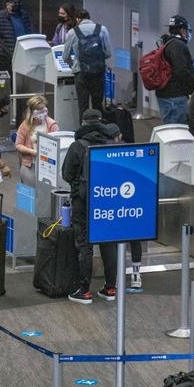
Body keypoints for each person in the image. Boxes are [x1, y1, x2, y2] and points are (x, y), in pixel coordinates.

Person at [62, 109, 118, 304]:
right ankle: (110, 288)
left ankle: (85, 291)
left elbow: (66, 175)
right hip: (107, 201)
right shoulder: (111, 143)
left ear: (83, 123)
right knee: (109, 244)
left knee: (84, 245)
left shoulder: (77, 146)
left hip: (83, 202)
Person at [102, 123, 145, 289]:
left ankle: (116, 276)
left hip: (112, 204)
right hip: (131, 202)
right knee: (135, 239)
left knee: (112, 242)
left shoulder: (103, 152)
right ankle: (136, 275)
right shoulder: (131, 151)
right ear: (118, 135)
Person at [62, 9, 113, 123]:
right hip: (98, 73)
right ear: (89, 17)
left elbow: (65, 56)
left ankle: (84, 133)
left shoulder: (72, 32)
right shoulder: (102, 29)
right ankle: (99, 132)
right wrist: (96, 60)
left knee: (83, 106)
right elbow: (108, 53)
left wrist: (73, 65)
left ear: (77, 19)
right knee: (98, 105)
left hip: (81, 74)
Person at [155, 15, 194, 125]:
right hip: (175, 96)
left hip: (167, 94)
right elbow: (181, 71)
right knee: (176, 130)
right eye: (187, 31)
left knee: (170, 126)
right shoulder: (178, 46)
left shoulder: (167, 43)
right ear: (183, 30)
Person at [14, 95, 59, 187]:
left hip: (48, 167)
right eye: (39, 111)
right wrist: (33, 152)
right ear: (32, 112)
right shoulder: (25, 126)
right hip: (30, 166)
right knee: (31, 194)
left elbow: (58, 144)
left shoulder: (52, 125)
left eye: (44, 110)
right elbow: (18, 145)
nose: (42, 114)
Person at [0, 0, 34, 76]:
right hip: (6, 57)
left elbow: (30, 33)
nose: (17, 5)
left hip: (23, 55)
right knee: (7, 81)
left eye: (19, 2)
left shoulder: (25, 15)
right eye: (14, 3)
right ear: (7, 4)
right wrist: (2, 48)